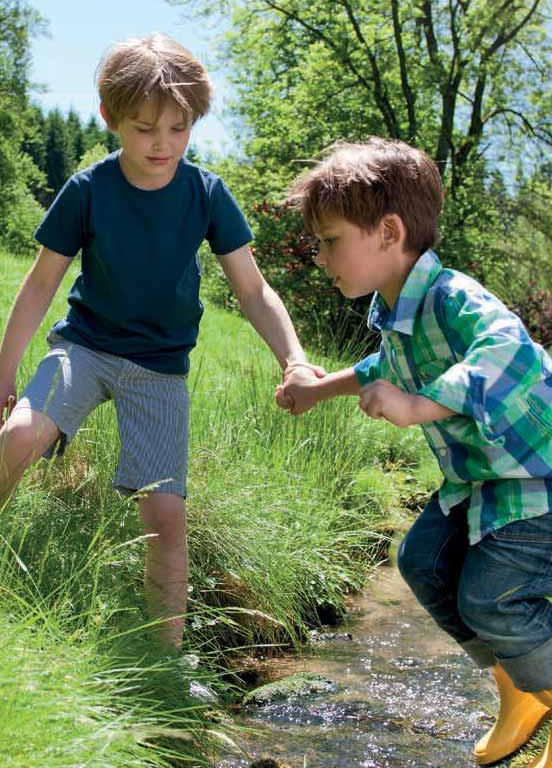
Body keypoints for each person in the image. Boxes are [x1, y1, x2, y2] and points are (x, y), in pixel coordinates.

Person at [276, 138, 552, 768]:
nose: (320, 256)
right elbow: (381, 365)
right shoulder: (395, 311)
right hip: (491, 478)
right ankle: (523, 692)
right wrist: (319, 388)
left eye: (331, 241)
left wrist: (417, 406)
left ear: (388, 231)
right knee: (423, 562)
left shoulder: (454, 296)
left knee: (496, 598)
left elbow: (503, 350)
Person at [0, 34, 316, 650]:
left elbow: (253, 291)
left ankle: (164, 660)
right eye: (145, 128)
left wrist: (294, 358)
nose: (163, 144)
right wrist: (4, 371)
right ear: (111, 119)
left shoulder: (206, 194)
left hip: (160, 369)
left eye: (179, 128)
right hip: (84, 348)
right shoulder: (88, 190)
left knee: (167, 517)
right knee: (18, 436)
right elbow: (40, 284)